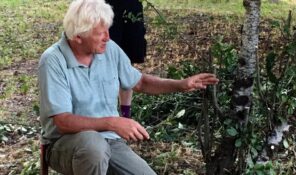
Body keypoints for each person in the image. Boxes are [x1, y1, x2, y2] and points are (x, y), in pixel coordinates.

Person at [38, 0, 219, 174]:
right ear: (78, 37)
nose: (108, 38)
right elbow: (62, 122)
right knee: (94, 147)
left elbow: (139, 82)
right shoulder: (53, 60)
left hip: (109, 140)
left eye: (108, 30)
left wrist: (181, 84)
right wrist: (113, 122)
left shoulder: (109, 49)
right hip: (64, 145)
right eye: (100, 33)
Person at [105, 0, 147, 118]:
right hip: (105, 6)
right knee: (104, 56)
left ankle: (125, 116)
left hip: (131, 7)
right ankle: (106, 113)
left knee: (128, 59)